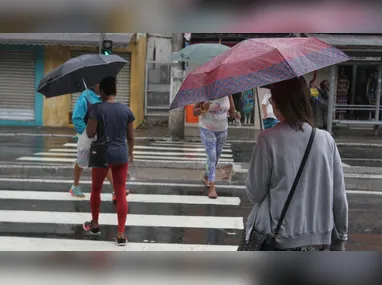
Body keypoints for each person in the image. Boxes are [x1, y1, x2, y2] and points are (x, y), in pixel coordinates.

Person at [244, 77, 348, 251]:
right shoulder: (326, 140)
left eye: (272, 100)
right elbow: (339, 197)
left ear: (277, 104)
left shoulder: (267, 140)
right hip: (319, 242)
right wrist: (341, 238)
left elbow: (255, 194)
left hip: (280, 240)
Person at [84, 76, 135, 246]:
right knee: (120, 192)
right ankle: (121, 234)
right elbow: (130, 136)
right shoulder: (126, 110)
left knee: (96, 188)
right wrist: (131, 153)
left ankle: (95, 224)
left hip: (102, 154)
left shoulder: (96, 109)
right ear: (116, 91)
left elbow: (90, 133)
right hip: (121, 155)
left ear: (101, 92)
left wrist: (89, 117)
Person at [70, 85, 129, 202]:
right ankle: (75, 186)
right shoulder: (84, 98)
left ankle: (116, 190)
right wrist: (86, 133)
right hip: (88, 135)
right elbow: (76, 118)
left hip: (100, 136)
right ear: (94, 85)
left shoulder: (100, 98)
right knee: (83, 161)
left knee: (102, 161)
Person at [193, 95, 240, 199]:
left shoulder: (228, 93)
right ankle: (212, 186)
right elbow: (194, 112)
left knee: (216, 156)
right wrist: (202, 108)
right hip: (207, 128)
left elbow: (232, 111)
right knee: (212, 156)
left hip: (223, 129)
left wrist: (236, 114)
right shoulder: (204, 92)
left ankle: (206, 176)